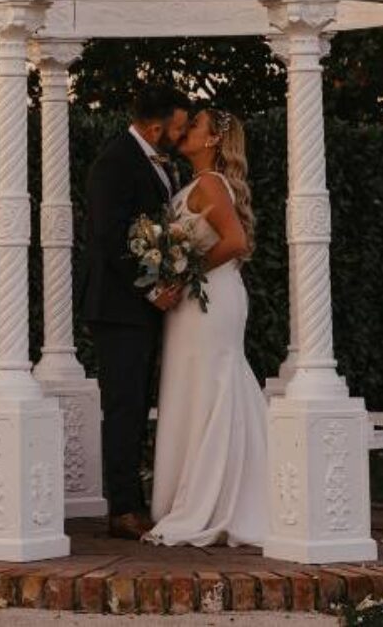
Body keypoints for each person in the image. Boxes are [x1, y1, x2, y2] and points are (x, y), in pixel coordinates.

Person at [144, 105, 270, 547]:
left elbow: (236, 242)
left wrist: (182, 273)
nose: (185, 131)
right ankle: (201, 492)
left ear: (214, 139)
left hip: (211, 301)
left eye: (194, 125)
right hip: (198, 301)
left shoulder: (212, 184)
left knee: (213, 387)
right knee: (197, 388)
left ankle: (216, 499)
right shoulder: (196, 184)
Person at [79, 83, 191, 541]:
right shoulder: (115, 162)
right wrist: (149, 289)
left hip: (142, 308)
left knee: (138, 403)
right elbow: (109, 237)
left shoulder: (161, 162)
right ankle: (121, 507)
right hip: (119, 306)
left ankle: (137, 499)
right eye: (178, 126)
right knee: (124, 406)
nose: (181, 135)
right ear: (155, 125)